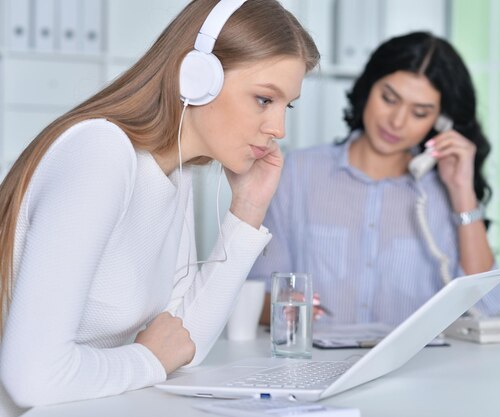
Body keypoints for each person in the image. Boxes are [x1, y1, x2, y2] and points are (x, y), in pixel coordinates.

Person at [0, 0, 319, 413]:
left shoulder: (174, 174)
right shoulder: (101, 152)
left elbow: (184, 343)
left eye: (286, 105)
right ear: (196, 76)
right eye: (263, 99)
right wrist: (148, 359)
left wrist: (248, 209)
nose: (279, 128)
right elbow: (32, 379)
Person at [249, 31, 500, 326]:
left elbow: (486, 309)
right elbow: (257, 296)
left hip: (418, 369)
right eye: (389, 99)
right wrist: (293, 310)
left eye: (420, 113)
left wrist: (462, 192)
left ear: (439, 121)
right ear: (368, 87)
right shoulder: (297, 172)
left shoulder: (442, 192)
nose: (397, 121)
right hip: (316, 365)